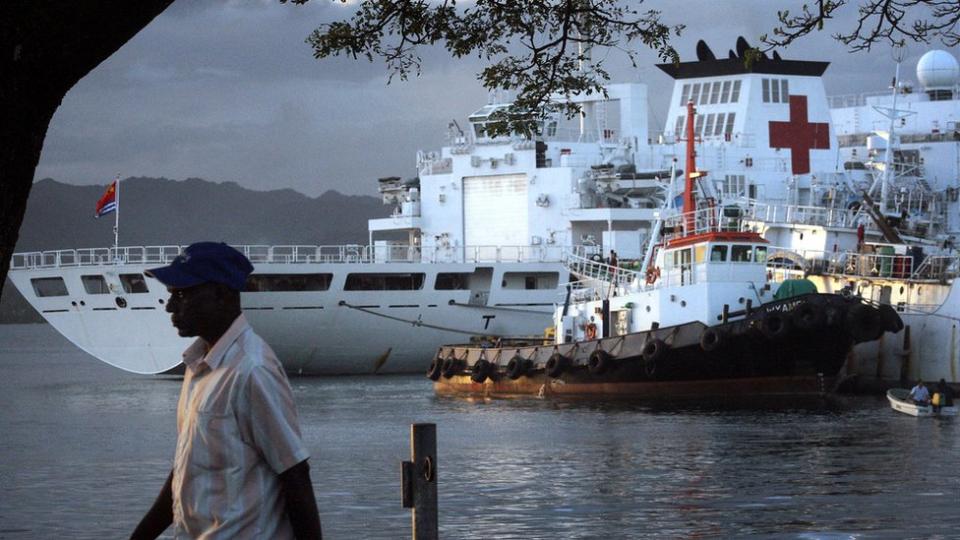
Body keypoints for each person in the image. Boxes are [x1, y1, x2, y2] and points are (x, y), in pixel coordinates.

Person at [131, 242, 321, 539]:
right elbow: (187, 471)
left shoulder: (252, 370)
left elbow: (295, 474)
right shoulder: (198, 367)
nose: (170, 306)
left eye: (181, 294)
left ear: (221, 294)